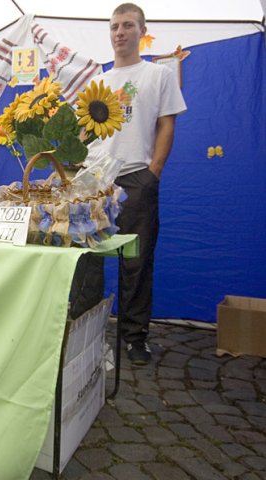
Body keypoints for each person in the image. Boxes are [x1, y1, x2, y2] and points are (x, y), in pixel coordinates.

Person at [89, 3, 187, 365]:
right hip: (96, 182)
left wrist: (153, 171)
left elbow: (167, 124)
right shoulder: (96, 81)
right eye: (114, 26)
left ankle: (134, 338)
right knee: (89, 260)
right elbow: (87, 132)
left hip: (136, 178)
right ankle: (88, 333)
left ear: (141, 31)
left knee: (137, 260)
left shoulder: (157, 75)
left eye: (128, 25)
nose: (119, 32)